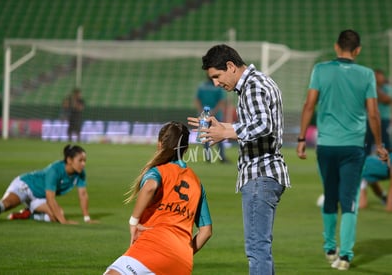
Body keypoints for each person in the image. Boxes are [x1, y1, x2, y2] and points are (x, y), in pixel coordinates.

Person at [188, 44, 290, 275]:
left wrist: (225, 132)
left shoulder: (253, 86)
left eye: (217, 76)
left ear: (231, 66)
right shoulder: (258, 82)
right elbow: (256, 123)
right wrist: (221, 126)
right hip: (266, 174)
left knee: (257, 249)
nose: (216, 83)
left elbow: (264, 124)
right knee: (261, 248)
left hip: (260, 174)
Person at [296, 29, 389, 271]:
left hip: (326, 145)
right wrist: (379, 144)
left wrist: (301, 138)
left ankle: (329, 248)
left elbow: (309, 105)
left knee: (330, 194)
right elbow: (373, 113)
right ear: (357, 50)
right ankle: (345, 256)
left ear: (337, 47)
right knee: (349, 200)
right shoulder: (366, 74)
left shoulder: (321, 70)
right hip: (353, 147)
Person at [104, 121, 212, 275]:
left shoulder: (159, 171)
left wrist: (133, 221)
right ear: (186, 149)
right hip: (181, 263)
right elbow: (206, 231)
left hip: (152, 248)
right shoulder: (197, 183)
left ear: (159, 144)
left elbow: (150, 187)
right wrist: (181, 254)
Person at [0, 144, 97, 224]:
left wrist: (86, 218)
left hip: (39, 196)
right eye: (80, 160)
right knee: (7, 204)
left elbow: (83, 195)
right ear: (69, 160)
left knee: (57, 215)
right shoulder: (55, 170)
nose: (83, 164)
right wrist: (64, 222)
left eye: (84, 161)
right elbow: (51, 199)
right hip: (26, 186)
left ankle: (27, 214)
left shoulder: (80, 173)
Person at [195, 76, 228, 163]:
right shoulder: (218, 87)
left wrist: (201, 112)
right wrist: (214, 111)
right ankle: (221, 157)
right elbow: (221, 101)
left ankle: (208, 158)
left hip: (205, 115)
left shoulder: (202, 86)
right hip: (216, 115)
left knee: (205, 137)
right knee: (220, 136)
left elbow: (197, 100)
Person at [364, 69, 392, 155]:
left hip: (384, 120)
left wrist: (374, 89)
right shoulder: (367, 89)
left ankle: (388, 165)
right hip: (369, 120)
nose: (376, 78)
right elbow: (364, 103)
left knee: (386, 144)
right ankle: (365, 164)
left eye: (378, 76)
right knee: (366, 144)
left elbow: (386, 100)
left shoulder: (387, 88)